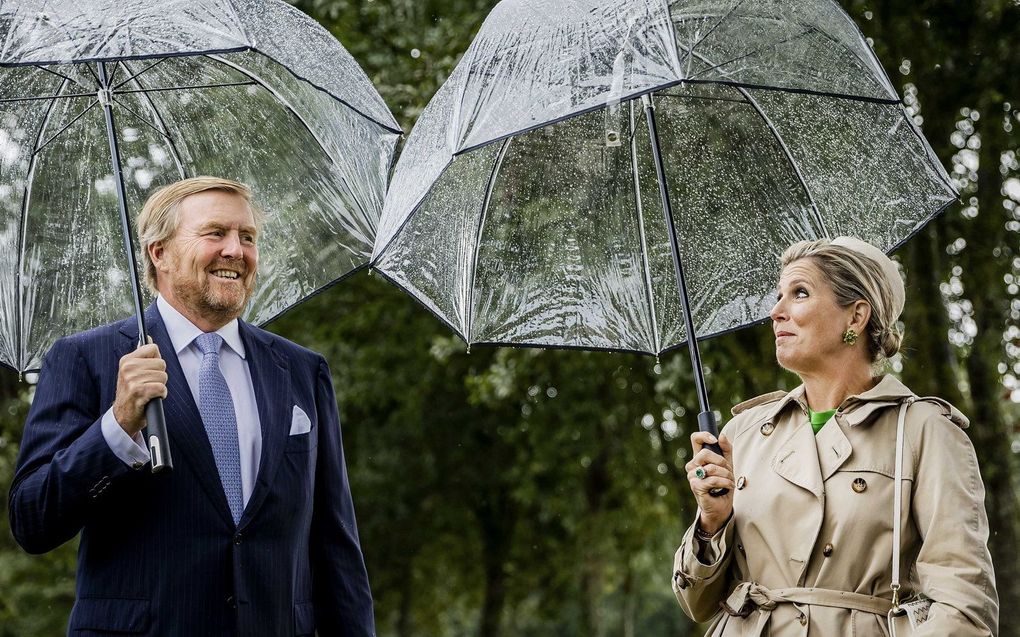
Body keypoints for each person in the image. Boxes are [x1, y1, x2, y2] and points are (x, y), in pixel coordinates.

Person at [8, 177, 375, 636]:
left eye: (247, 237)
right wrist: (119, 425)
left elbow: (336, 544)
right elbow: (32, 520)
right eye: (215, 233)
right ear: (158, 253)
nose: (236, 251)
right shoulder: (86, 358)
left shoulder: (302, 370)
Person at [672, 237, 998, 636]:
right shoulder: (742, 432)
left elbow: (963, 605)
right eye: (778, 297)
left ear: (856, 316)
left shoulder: (923, 429)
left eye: (800, 293)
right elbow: (699, 604)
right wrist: (712, 521)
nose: (776, 312)